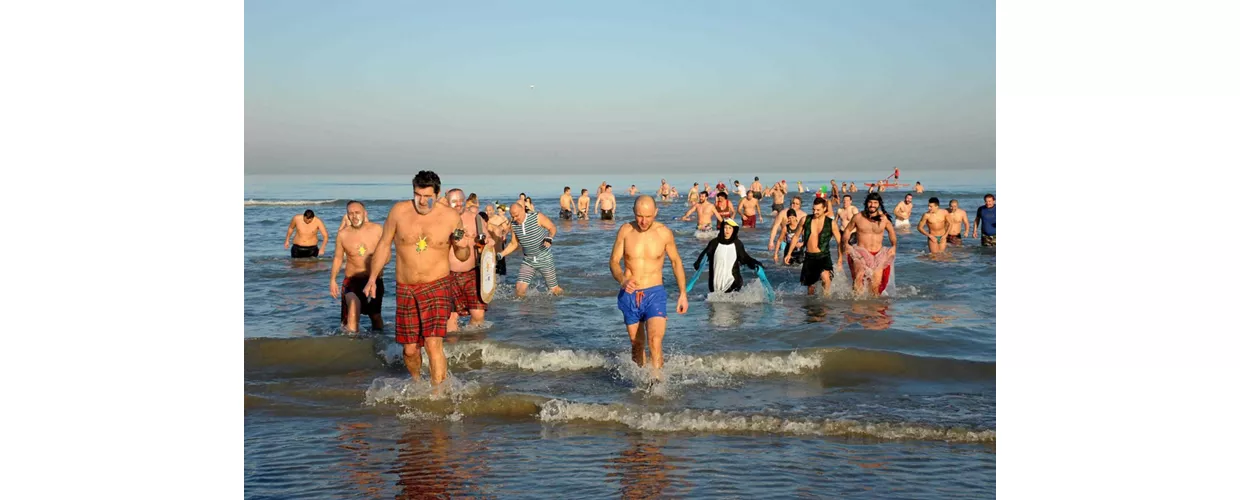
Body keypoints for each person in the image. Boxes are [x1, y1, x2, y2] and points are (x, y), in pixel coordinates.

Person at [364, 171, 472, 388]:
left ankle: (437, 395)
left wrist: (462, 247)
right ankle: (417, 383)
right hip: (406, 287)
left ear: (438, 193)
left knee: (433, 344)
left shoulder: (451, 217)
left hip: (438, 285)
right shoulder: (399, 212)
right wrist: (372, 278)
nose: (421, 201)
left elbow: (462, 255)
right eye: (417, 195)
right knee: (410, 349)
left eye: (427, 196)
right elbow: (384, 245)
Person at [610, 196, 689, 380]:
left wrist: (683, 293)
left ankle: (656, 384)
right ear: (633, 212)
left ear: (655, 212)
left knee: (655, 340)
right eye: (639, 216)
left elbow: (676, 262)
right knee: (636, 344)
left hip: (655, 293)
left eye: (647, 216)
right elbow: (613, 261)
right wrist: (622, 279)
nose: (643, 221)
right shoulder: (625, 231)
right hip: (629, 294)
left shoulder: (664, 233)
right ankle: (640, 382)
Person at [329, 201, 385, 333]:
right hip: (352, 281)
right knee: (353, 314)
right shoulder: (343, 234)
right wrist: (332, 279)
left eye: (357, 213)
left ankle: (378, 342)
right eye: (350, 213)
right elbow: (338, 258)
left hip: (375, 281)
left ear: (365, 213)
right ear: (347, 216)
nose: (354, 216)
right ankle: (352, 347)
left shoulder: (377, 229)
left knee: (375, 316)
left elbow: (386, 253)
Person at [444, 189, 491, 332]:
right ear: (446, 201)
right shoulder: (440, 219)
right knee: (451, 318)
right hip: (447, 274)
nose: (458, 204)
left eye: (461, 200)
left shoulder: (476, 218)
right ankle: (453, 351)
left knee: (478, 314)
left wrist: (486, 241)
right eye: (454, 201)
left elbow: (488, 239)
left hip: (472, 273)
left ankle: (471, 348)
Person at [498, 202, 563, 297]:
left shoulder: (537, 217)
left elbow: (552, 227)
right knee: (519, 291)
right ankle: (526, 310)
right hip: (528, 261)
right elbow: (513, 244)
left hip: (544, 258)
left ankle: (567, 303)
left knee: (554, 290)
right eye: (512, 216)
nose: (515, 219)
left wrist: (549, 238)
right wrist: (501, 254)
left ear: (523, 210)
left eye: (517, 216)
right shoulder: (514, 224)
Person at [841, 193, 898, 297]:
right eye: (870, 202)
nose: (872, 205)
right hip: (860, 252)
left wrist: (894, 246)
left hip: (878, 253)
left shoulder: (884, 219)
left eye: (875, 203)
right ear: (866, 203)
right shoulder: (858, 217)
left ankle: (873, 309)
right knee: (859, 276)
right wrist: (846, 244)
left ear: (879, 204)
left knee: (875, 285)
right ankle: (856, 306)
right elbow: (847, 230)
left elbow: (892, 233)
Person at [787, 197, 842, 295]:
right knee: (811, 288)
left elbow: (839, 242)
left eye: (818, 210)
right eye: (813, 209)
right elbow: (795, 237)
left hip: (823, 255)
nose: (815, 212)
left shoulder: (831, 223)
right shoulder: (805, 220)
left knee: (826, 278)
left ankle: (825, 301)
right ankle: (811, 307)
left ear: (824, 209)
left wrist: (840, 259)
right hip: (809, 257)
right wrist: (789, 253)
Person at [693, 219, 763, 293]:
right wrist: (698, 263)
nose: (727, 230)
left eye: (730, 228)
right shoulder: (714, 243)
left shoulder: (737, 244)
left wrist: (755, 264)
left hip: (733, 281)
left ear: (734, 230)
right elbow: (705, 255)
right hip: (715, 282)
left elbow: (744, 258)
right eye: (725, 227)